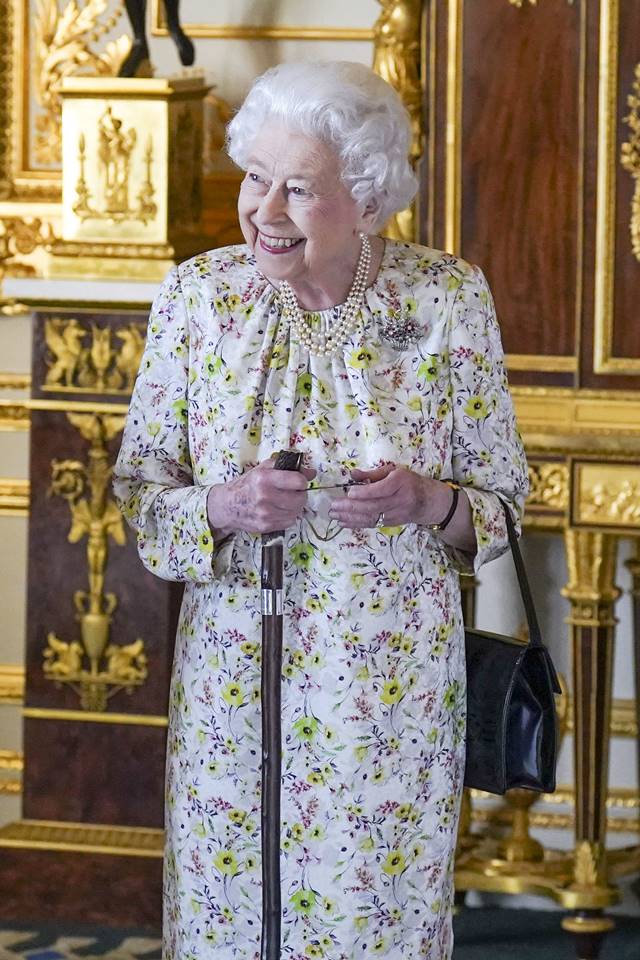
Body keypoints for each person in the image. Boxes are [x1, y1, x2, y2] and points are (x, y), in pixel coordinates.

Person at [114, 60, 528, 960]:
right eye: (254, 178)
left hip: (388, 699)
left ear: (369, 202)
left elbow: (503, 514)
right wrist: (221, 505)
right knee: (228, 922)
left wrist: (431, 501)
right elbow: (142, 504)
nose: (262, 210)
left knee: (369, 922)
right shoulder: (197, 299)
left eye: (298, 189)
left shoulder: (448, 300)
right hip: (229, 686)